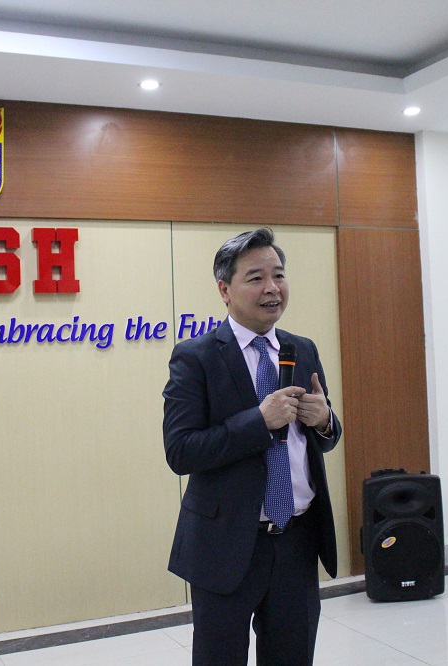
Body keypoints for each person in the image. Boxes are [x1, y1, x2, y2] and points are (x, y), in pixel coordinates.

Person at [163, 227, 341, 665]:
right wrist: (258, 422)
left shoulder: (302, 349)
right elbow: (181, 450)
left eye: (278, 275)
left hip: (297, 539)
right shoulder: (196, 356)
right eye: (256, 277)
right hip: (225, 544)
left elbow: (323, 437)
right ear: (224, 290)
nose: (272, 288)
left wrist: (325, 421)